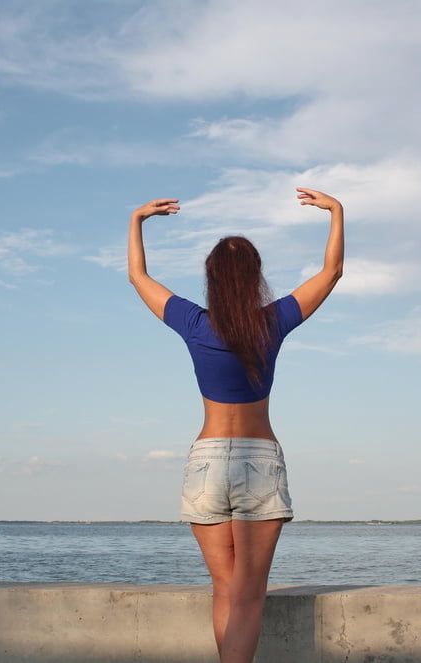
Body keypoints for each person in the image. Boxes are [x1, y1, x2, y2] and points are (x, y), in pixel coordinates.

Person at [127, 187, 344, 663]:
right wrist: (336, 213)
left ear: (211, 279)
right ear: (255, 277)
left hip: (205, 461)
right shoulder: (272, 321)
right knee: (248, 595)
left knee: (225, 589)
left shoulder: (194, 322)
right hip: (258, 459)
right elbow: (330, 273)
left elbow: (138, 275)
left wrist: (137, 220)